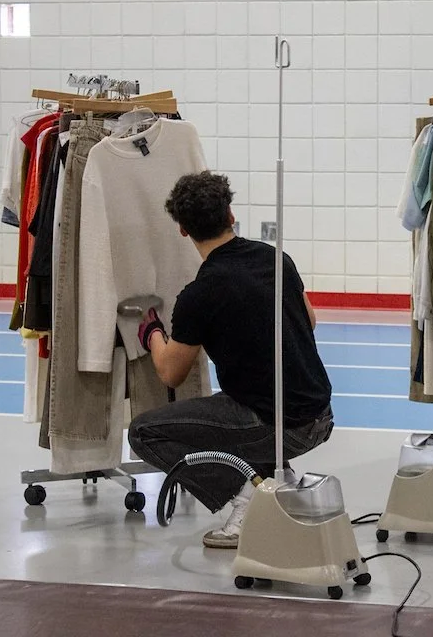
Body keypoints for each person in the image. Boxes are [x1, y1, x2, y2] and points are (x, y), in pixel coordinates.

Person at [128, 172, 334, 548]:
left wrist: (152, 333)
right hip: (320, 416)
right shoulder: (277, 258)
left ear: (182, 231)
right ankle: (274, 475)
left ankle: (251, 491)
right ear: (230, 215)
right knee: (238, 402)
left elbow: (171, 373)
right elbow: (311, 320)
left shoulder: (200, 294)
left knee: (144, 432)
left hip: (277, 426)